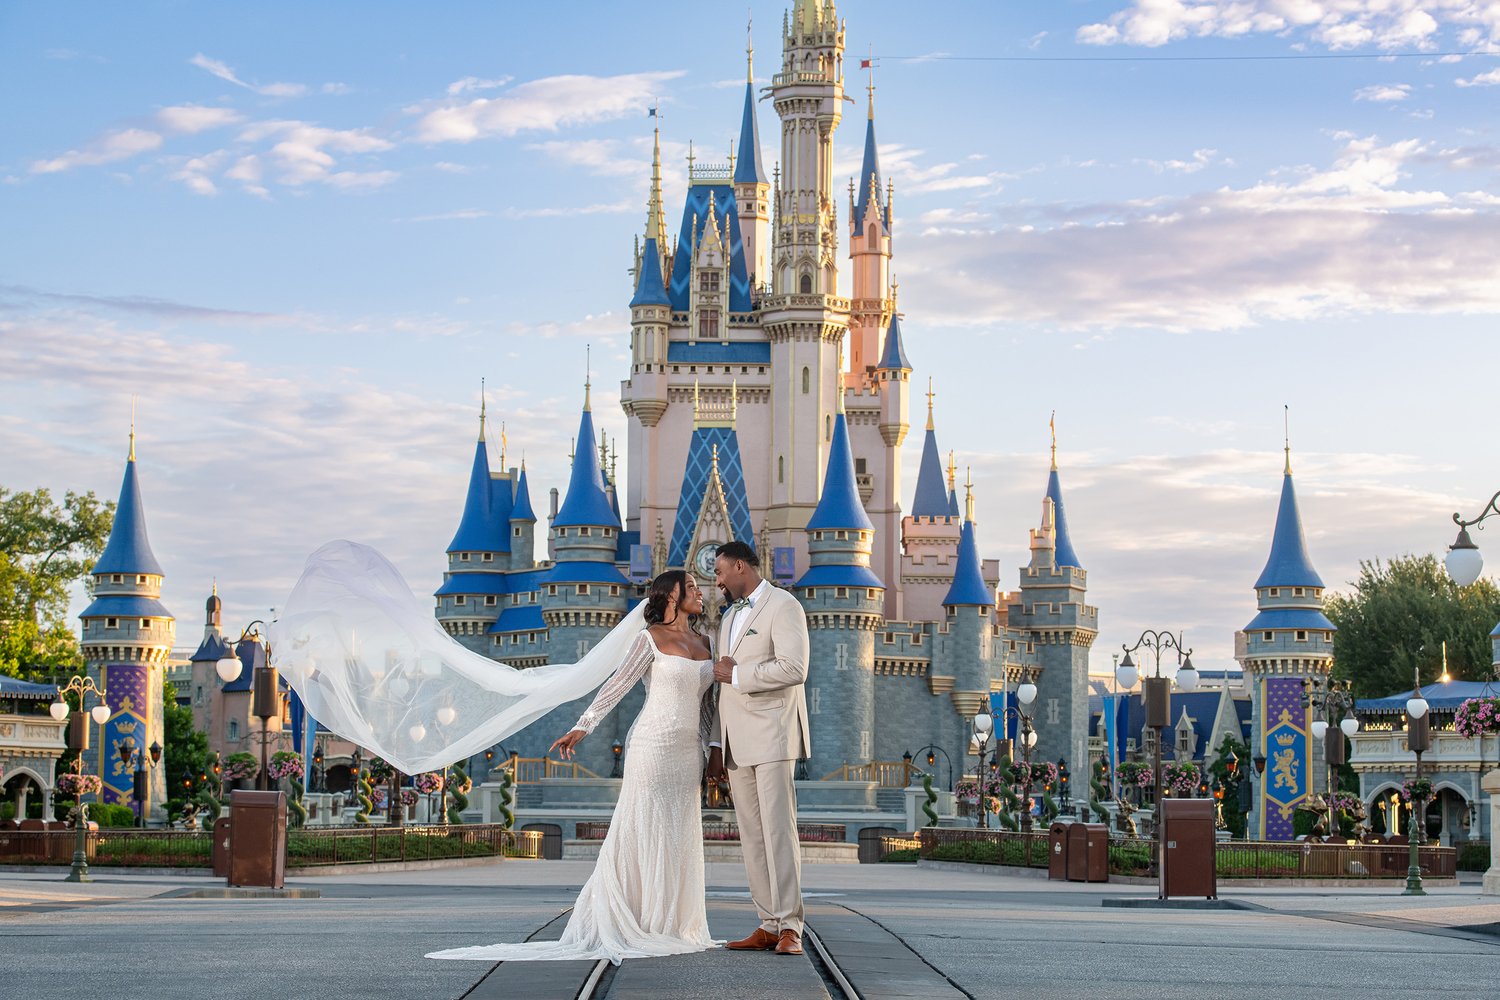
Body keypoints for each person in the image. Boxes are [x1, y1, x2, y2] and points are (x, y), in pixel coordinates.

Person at [426, 570, 720, 964]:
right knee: (643, 823)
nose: (702, 593)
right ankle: (637, 918)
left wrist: (712, 751)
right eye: (694, 588)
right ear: (671, 595)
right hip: (651, 744)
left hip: (687, 752)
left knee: (680, 828)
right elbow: (616, 685)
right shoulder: (648, 639)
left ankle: (672, 922)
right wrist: (582, 726)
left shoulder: (705, 642)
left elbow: (706, 709)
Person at [706, 540, 811, 957]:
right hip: (735, 742)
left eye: (719, 571)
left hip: (772, 734)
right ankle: (768, 923)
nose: (716, 580)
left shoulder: (784, 606)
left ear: (739, 566)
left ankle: (791, 927)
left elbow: (794, 668)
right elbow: (721, 685)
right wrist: (716, 742)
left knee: (778, 832)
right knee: (751, 836)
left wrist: (740, 673)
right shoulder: (729, 616)